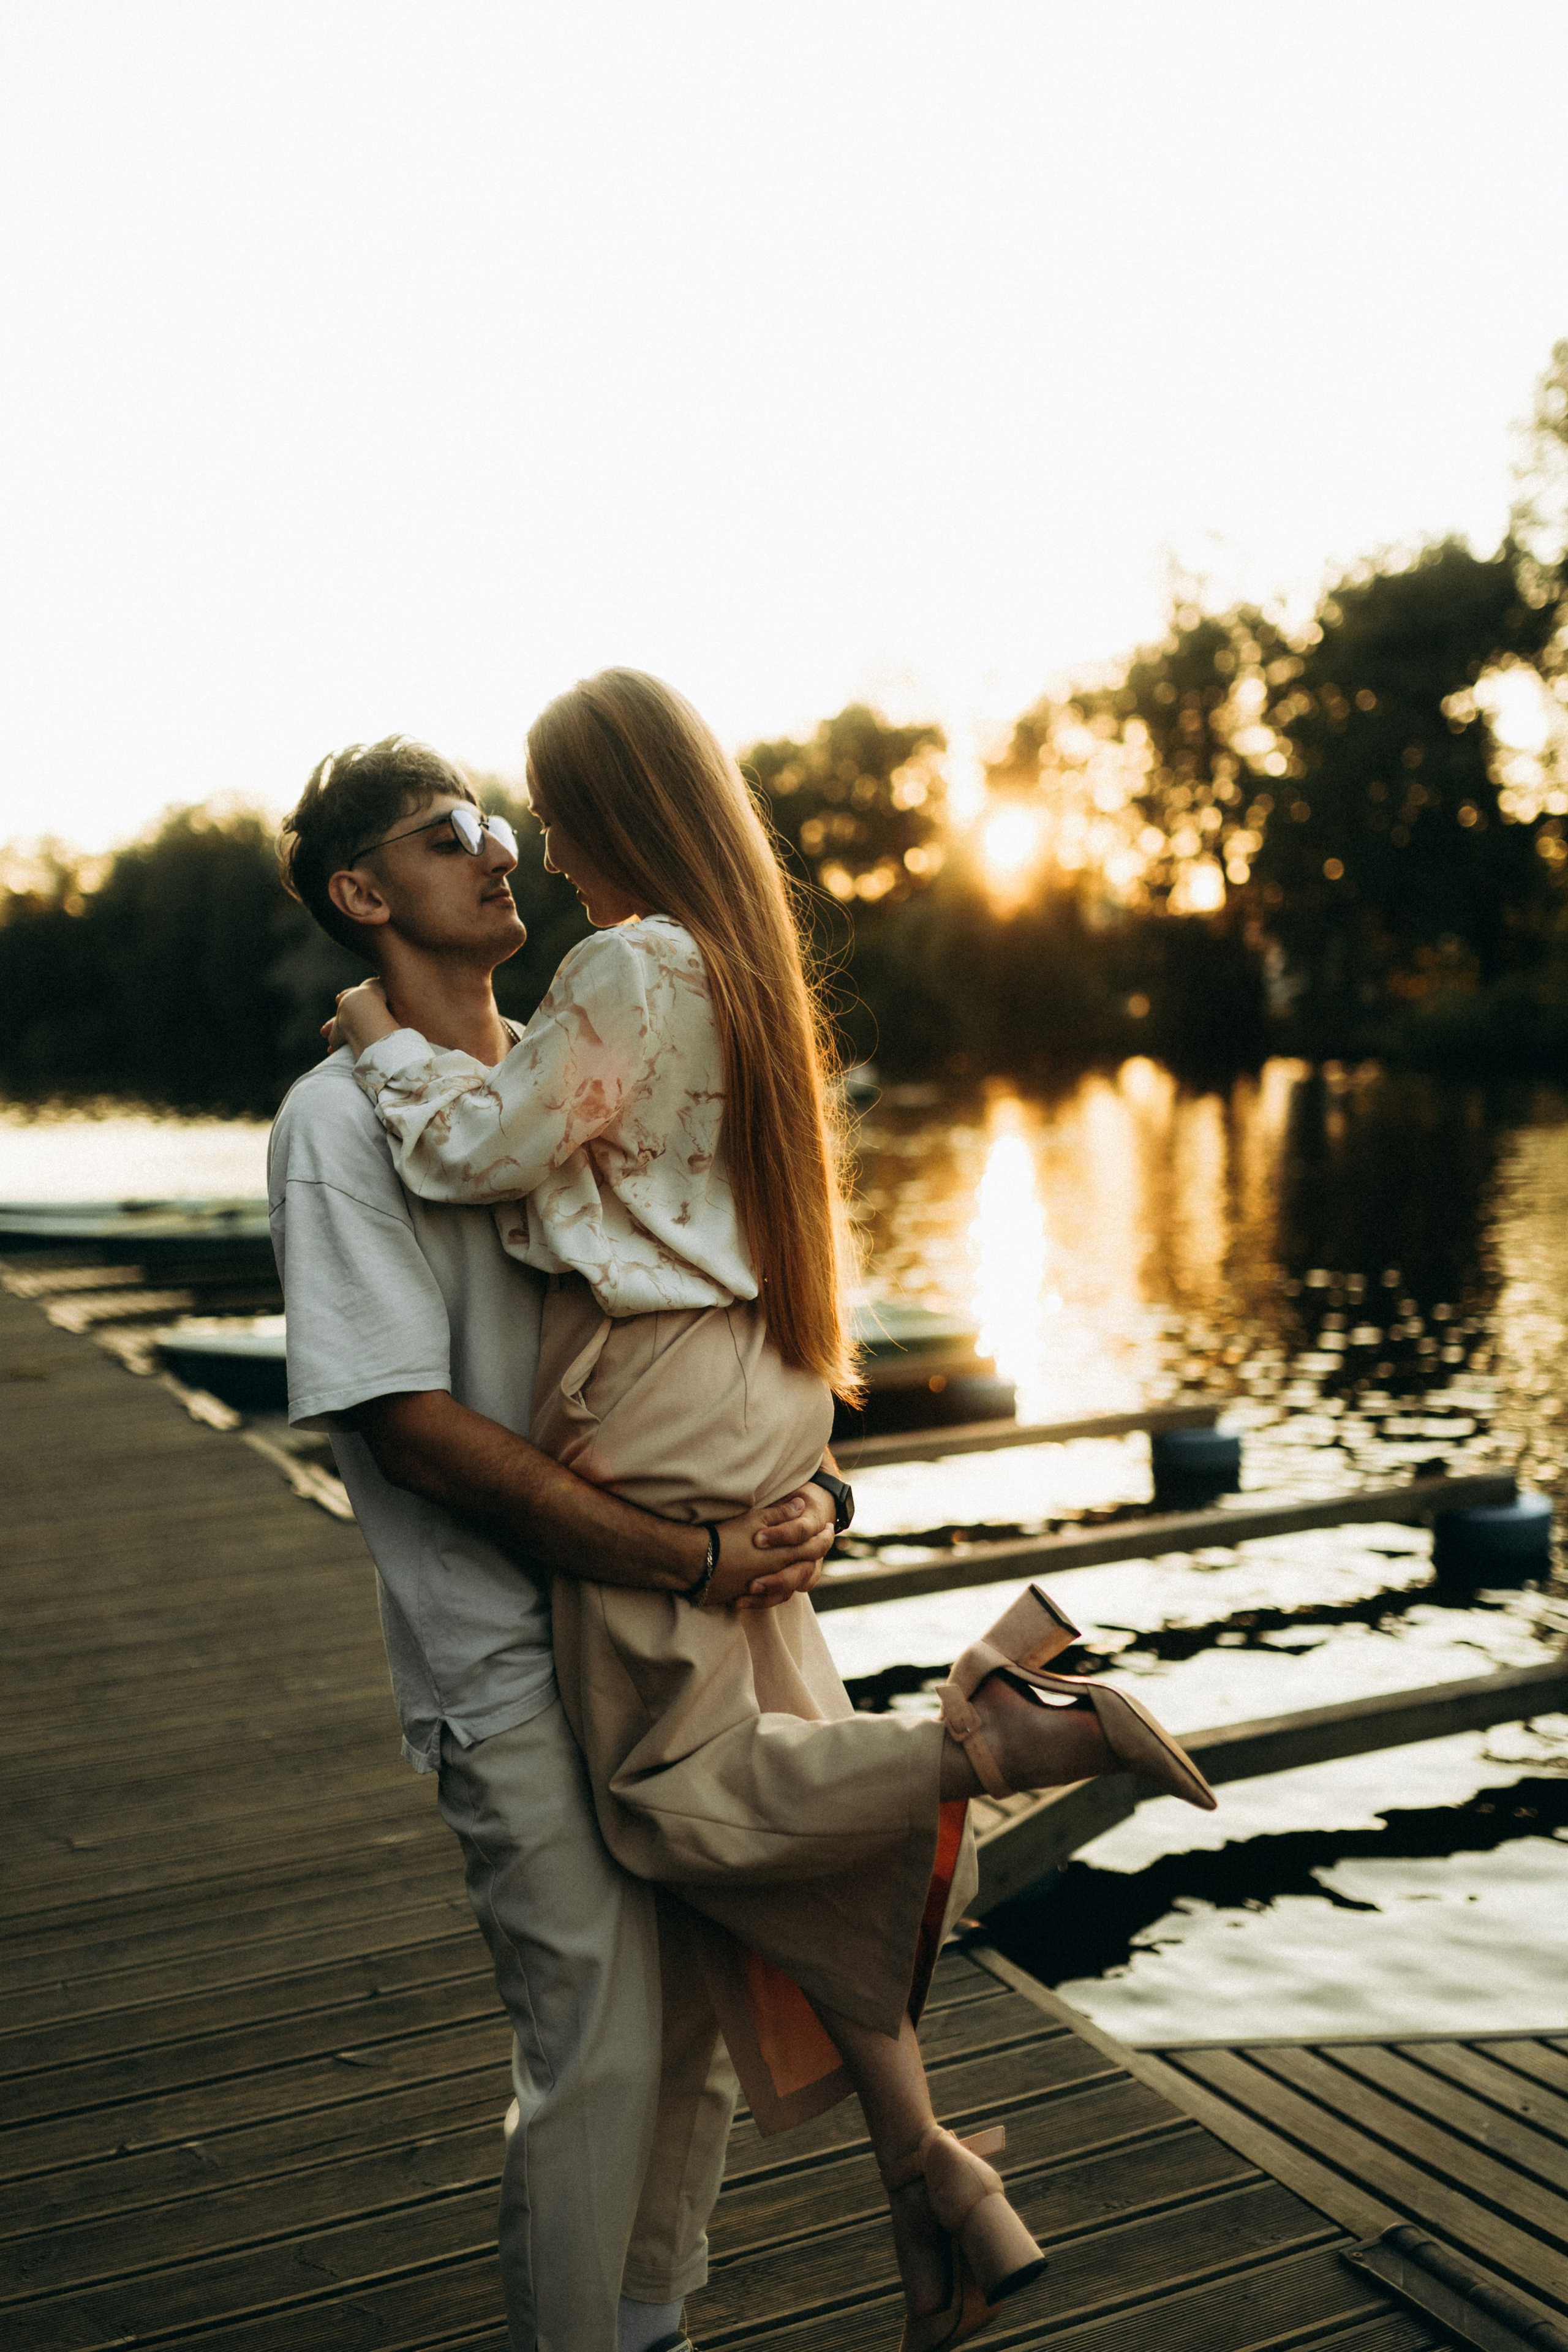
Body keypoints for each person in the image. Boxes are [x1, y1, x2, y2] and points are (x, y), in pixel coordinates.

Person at [325, 671, 1217, 2352]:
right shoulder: (735, 973)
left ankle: (998, 1736)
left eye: (554, 817)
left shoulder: (628, 962)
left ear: (619, 812)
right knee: (784, 1841)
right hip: (752, 1381)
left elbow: (477, 1152)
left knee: (672, 1796)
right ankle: (932, 2175)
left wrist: (381, 1047)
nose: (546, 855)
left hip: (656, 1404)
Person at [271, 735, 841, 2352]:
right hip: (512, 1645)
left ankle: (648, 2324)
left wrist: (810, 1500)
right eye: (454, 834)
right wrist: (685, 1560)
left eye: (507, 825)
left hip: (670, 1622)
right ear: (364, 893)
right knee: (593, 2032)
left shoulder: (589, 1057)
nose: (502, 852)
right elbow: (408, 1427)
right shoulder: (338, 1124)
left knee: (706, 2019)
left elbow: (717, 1296)